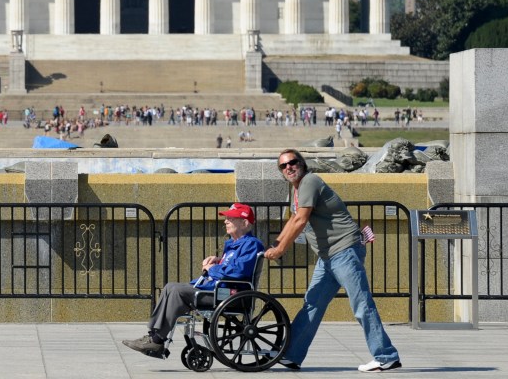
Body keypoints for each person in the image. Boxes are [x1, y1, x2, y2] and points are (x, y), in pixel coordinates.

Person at [264, 149, 401, 373]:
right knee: (312, 305)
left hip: (345, 250)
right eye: (283, 166)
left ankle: (386, 355)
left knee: (361, 304)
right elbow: (293, 220)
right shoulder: (297, 190)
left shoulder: (310, 181)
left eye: (292, 162)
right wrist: (275, 243)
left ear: (302, 163)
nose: (288, 167)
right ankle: (290, 355)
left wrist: (280, 249)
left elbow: (301, 219)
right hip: (327, 257)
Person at [123, 203, 264, 357]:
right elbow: (233, 266)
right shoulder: (233, 244)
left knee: (177, 291)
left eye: (231, 218)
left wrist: (212, 269)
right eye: (227, 218)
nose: (226, 221)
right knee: (170, 287)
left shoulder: (251, 244)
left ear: (244, 223)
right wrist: (218, 260)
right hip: (218, 289)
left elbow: (238, 271)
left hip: (230, 294)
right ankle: (153, 335)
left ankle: (157, 340)